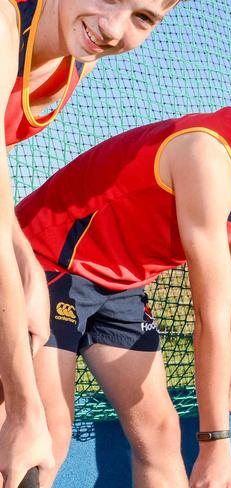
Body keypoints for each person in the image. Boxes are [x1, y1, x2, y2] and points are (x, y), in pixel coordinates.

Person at [15, 23, 231, 488]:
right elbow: (207, 313)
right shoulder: (208, 153)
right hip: (46, 261)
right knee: (48, 432)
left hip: (120, 283)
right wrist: (216, 443)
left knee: (159, 437)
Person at [1, 0, 178, 485]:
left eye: (143, 17)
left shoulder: (79, 54)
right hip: (53, 254)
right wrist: (21, 406)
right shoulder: (6, 25)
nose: (114, 27)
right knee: (33, 427)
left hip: (37, 253)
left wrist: (24, 265)